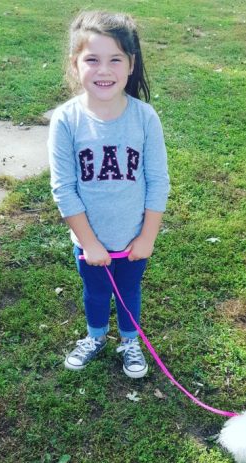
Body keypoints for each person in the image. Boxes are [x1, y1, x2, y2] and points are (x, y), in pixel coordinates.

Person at [48, 11, 170, 378]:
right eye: (92, 60)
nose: (104, 70)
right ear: (75, 64)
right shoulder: (66, 120)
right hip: (90, 243)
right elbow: (64, 189)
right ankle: (96, 336)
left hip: (133, 241)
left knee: (129, 291)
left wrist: (146, 237)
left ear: (131, 65)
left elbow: (157, 181)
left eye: (115, 59)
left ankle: (129, 340)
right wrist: (89, 243)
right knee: (96, 293)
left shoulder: (145, 118)